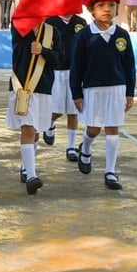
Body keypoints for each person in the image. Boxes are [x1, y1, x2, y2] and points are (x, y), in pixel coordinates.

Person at [70, 0, 136, 190]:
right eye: (101, 5)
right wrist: (77, 93)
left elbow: (129, 66)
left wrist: (129, 92)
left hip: (116, 89)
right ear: (92, 10)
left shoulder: (122, 35)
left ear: (117, 8)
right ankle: (86, 148)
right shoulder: (84, 36)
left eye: (111, 5)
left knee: (112, 128)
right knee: (94, 128)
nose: (106, 9)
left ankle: (110, 171)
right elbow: (76, 66)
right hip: (92, 89)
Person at [5, 0, 63, 195]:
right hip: (24, 86)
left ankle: (26, 165)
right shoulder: (20, 26)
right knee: (28, 128)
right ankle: (31, 176)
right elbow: (20, 43)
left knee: (36, 130)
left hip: (44, 87)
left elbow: (60, 59)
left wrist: (44, 51)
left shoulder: (53, 31)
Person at [44, 13, 87, 161]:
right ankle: (49, 123)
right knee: (57, 108)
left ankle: (71, 146)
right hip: (56, 70)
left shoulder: (80, 22)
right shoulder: (51, 21)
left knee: (73, 110)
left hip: (75, 71)